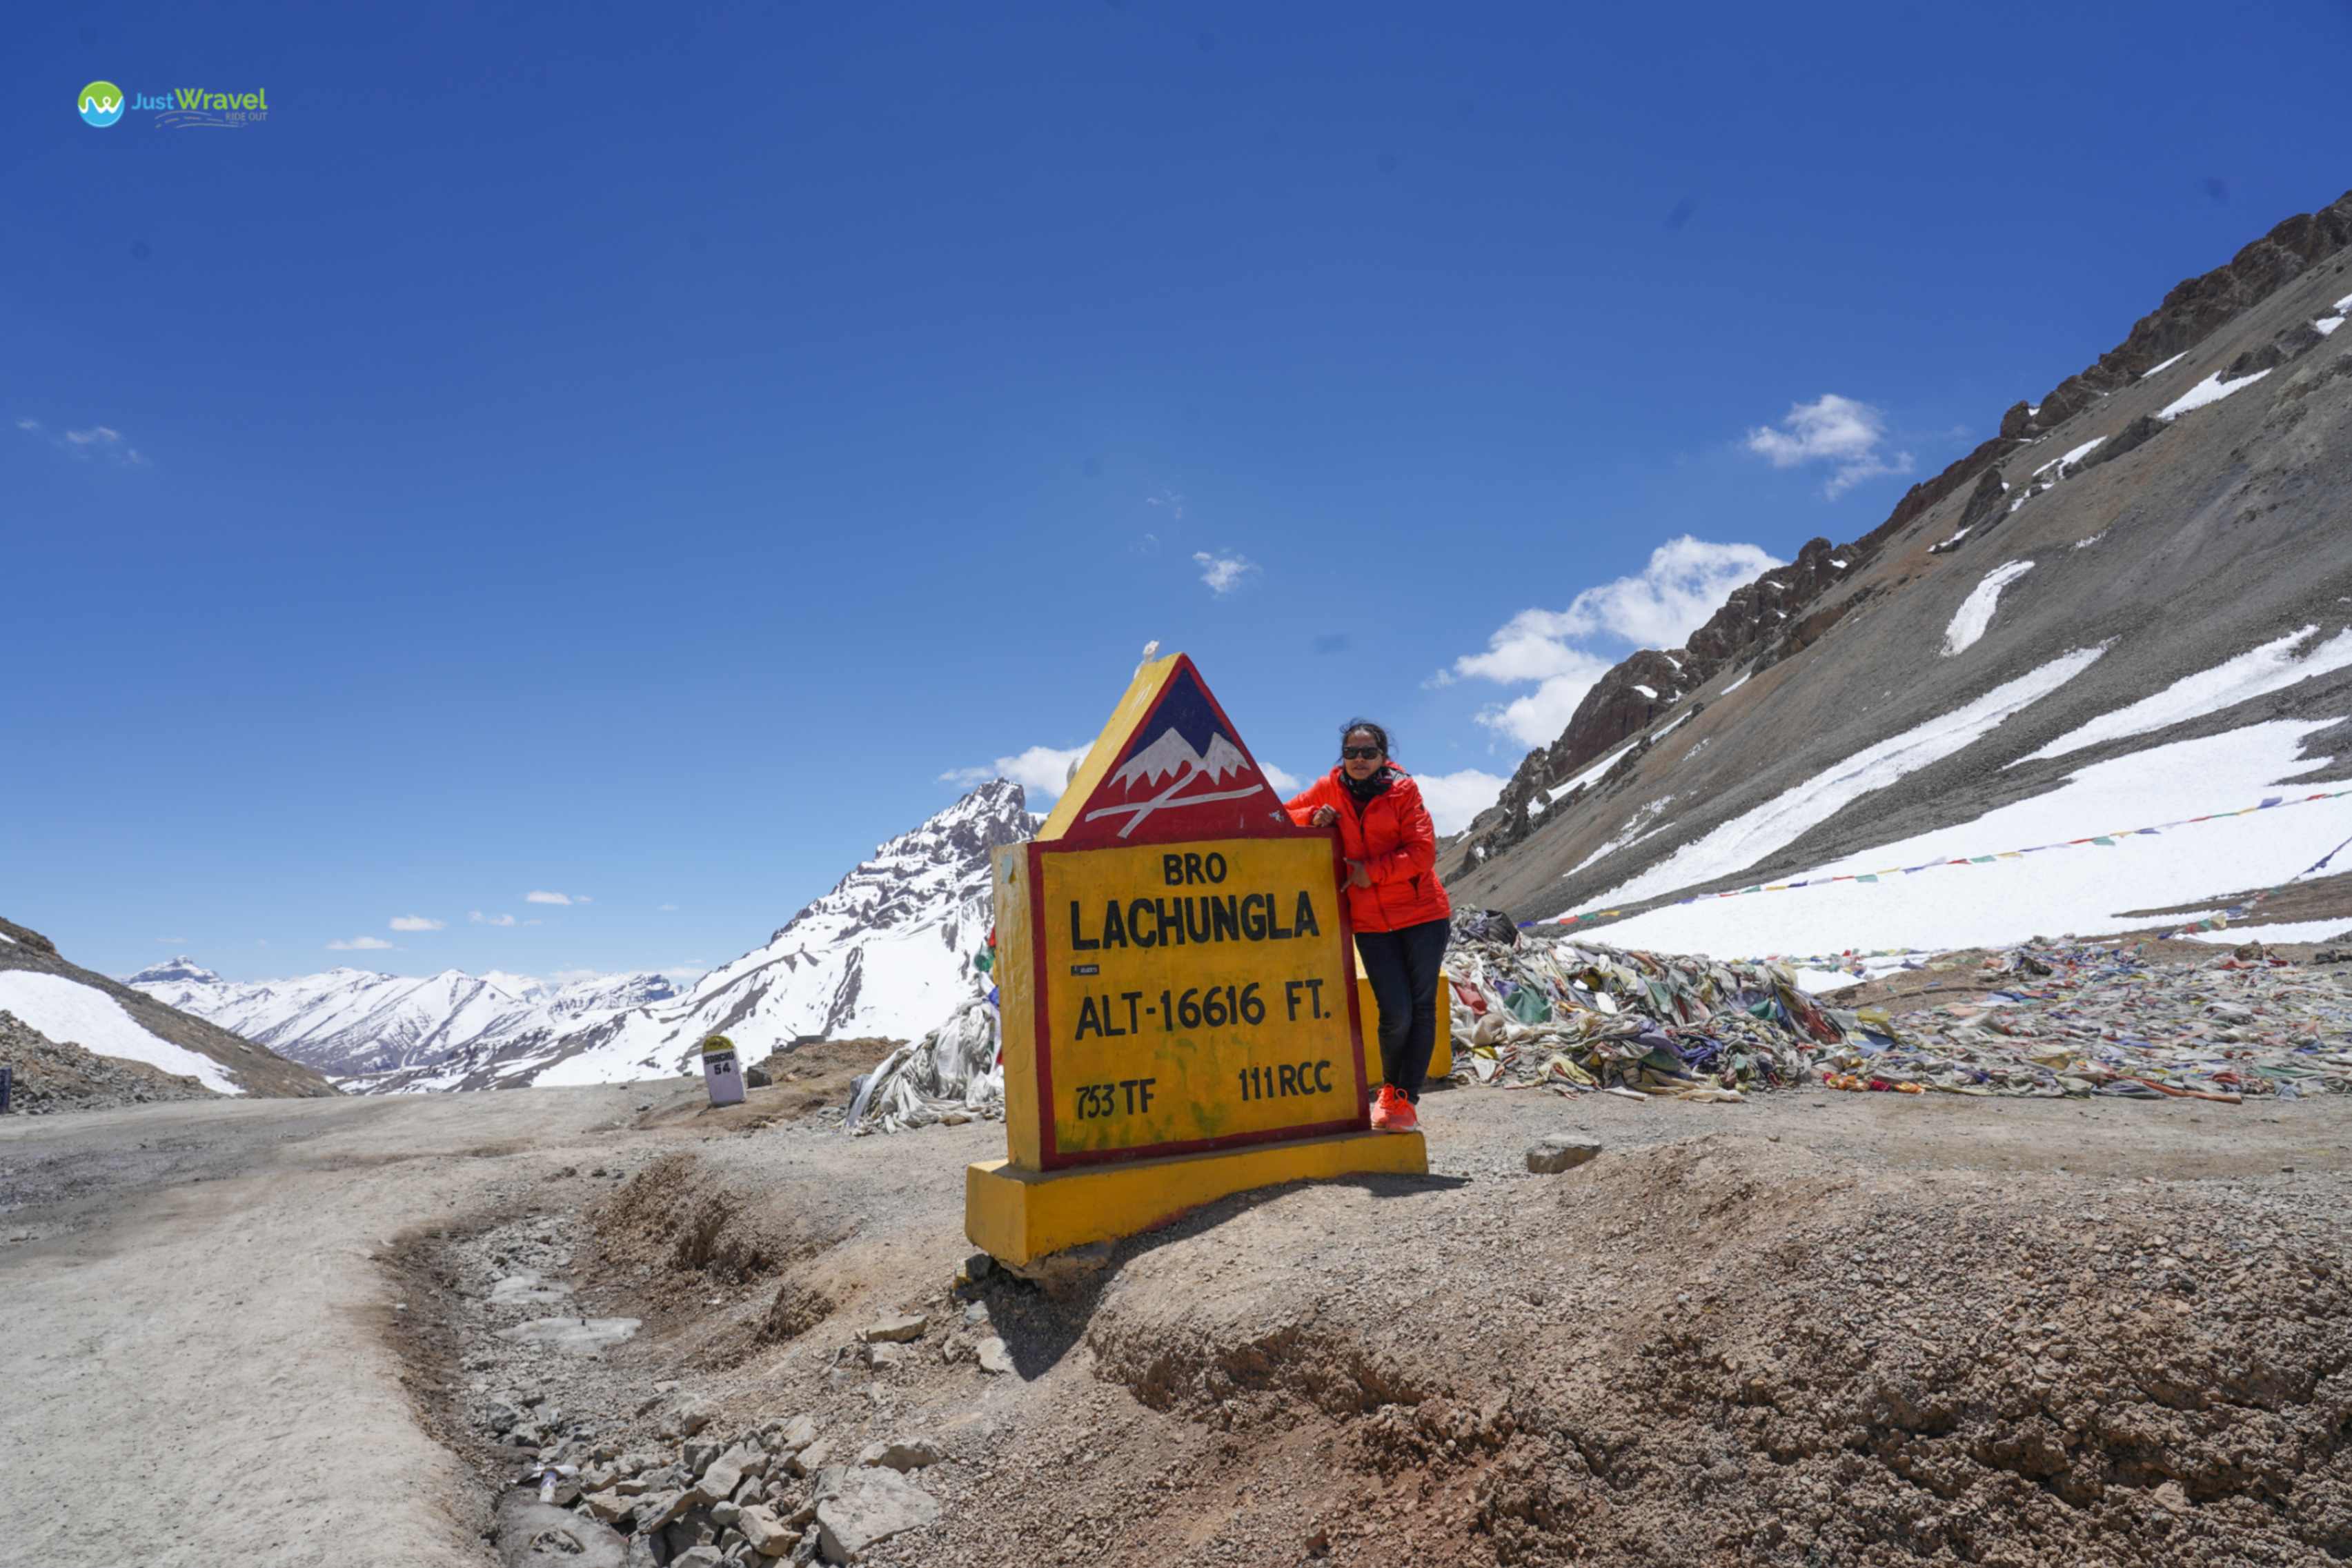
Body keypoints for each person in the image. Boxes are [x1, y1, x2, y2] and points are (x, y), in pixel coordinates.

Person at [1283, 720, 1452, 1133]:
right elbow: (1282, 816)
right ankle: (1390, 1093)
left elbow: (1423, 852)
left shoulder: (1403, 790)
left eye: (1368, 753)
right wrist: (1312, 815)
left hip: (1423, 915)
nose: (1359, 760)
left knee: (1422, 1008)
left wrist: (1370, 873)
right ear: (1343, 757)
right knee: (1396, 1013)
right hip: (1370, 923)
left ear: (1383, 756)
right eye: (1352, 752)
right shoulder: (1329, 787)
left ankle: (1403, 1100)